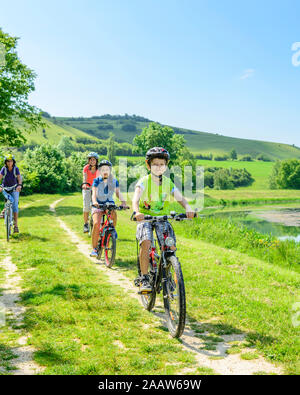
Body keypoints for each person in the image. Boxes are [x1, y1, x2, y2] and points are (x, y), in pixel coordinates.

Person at [132, 147, 195, 292]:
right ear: (148, 165)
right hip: (145, 218)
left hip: (162, 219)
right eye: (155, 164)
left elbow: (180, 198)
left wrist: (188, 208)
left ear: (166, 166)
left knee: (170, 247)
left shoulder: (168, 182)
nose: (158, 167)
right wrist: (136, 212)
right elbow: (135, 200)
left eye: (162, 164)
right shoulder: (144, 182)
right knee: (146, 243)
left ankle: (169, 274)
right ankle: (144, 278)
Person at [90, 159, 128, 257]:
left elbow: (118, 192)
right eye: (103, 170)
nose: (105, 171)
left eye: (107, 169)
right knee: (96, 224)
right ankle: (94, 248)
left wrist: (123, 202)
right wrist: (94, 201)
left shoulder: (114, 181)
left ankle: (112, 229)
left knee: (114, 213)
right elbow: (94, 193)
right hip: (98, 203)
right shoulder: (96, 180)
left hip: (108, 203)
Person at [0, 154, 23, 233]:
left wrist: (19, 185)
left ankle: (16, 226)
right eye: (8, 161)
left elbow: (19, 178)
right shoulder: (4, 169)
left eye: (11, 161)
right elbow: (0, 177)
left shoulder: (15, 169)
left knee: (15, 205)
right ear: (5, 162)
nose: (9, 163)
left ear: (13, 162)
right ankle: (5, 209)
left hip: (14, 188)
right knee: (9, 199)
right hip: (5, 188)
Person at [82, 152, 100, 233]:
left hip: (96, 189)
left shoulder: (99, 169)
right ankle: (85, 224)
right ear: (89, 161)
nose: (92, 161)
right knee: (86, 207)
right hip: (87, 188)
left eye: (94, 160)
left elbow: (99, 179)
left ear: (96, 161)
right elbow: (84, 177)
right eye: (91, 160)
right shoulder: (86, 168)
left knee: (97, 206)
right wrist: (85, 184)